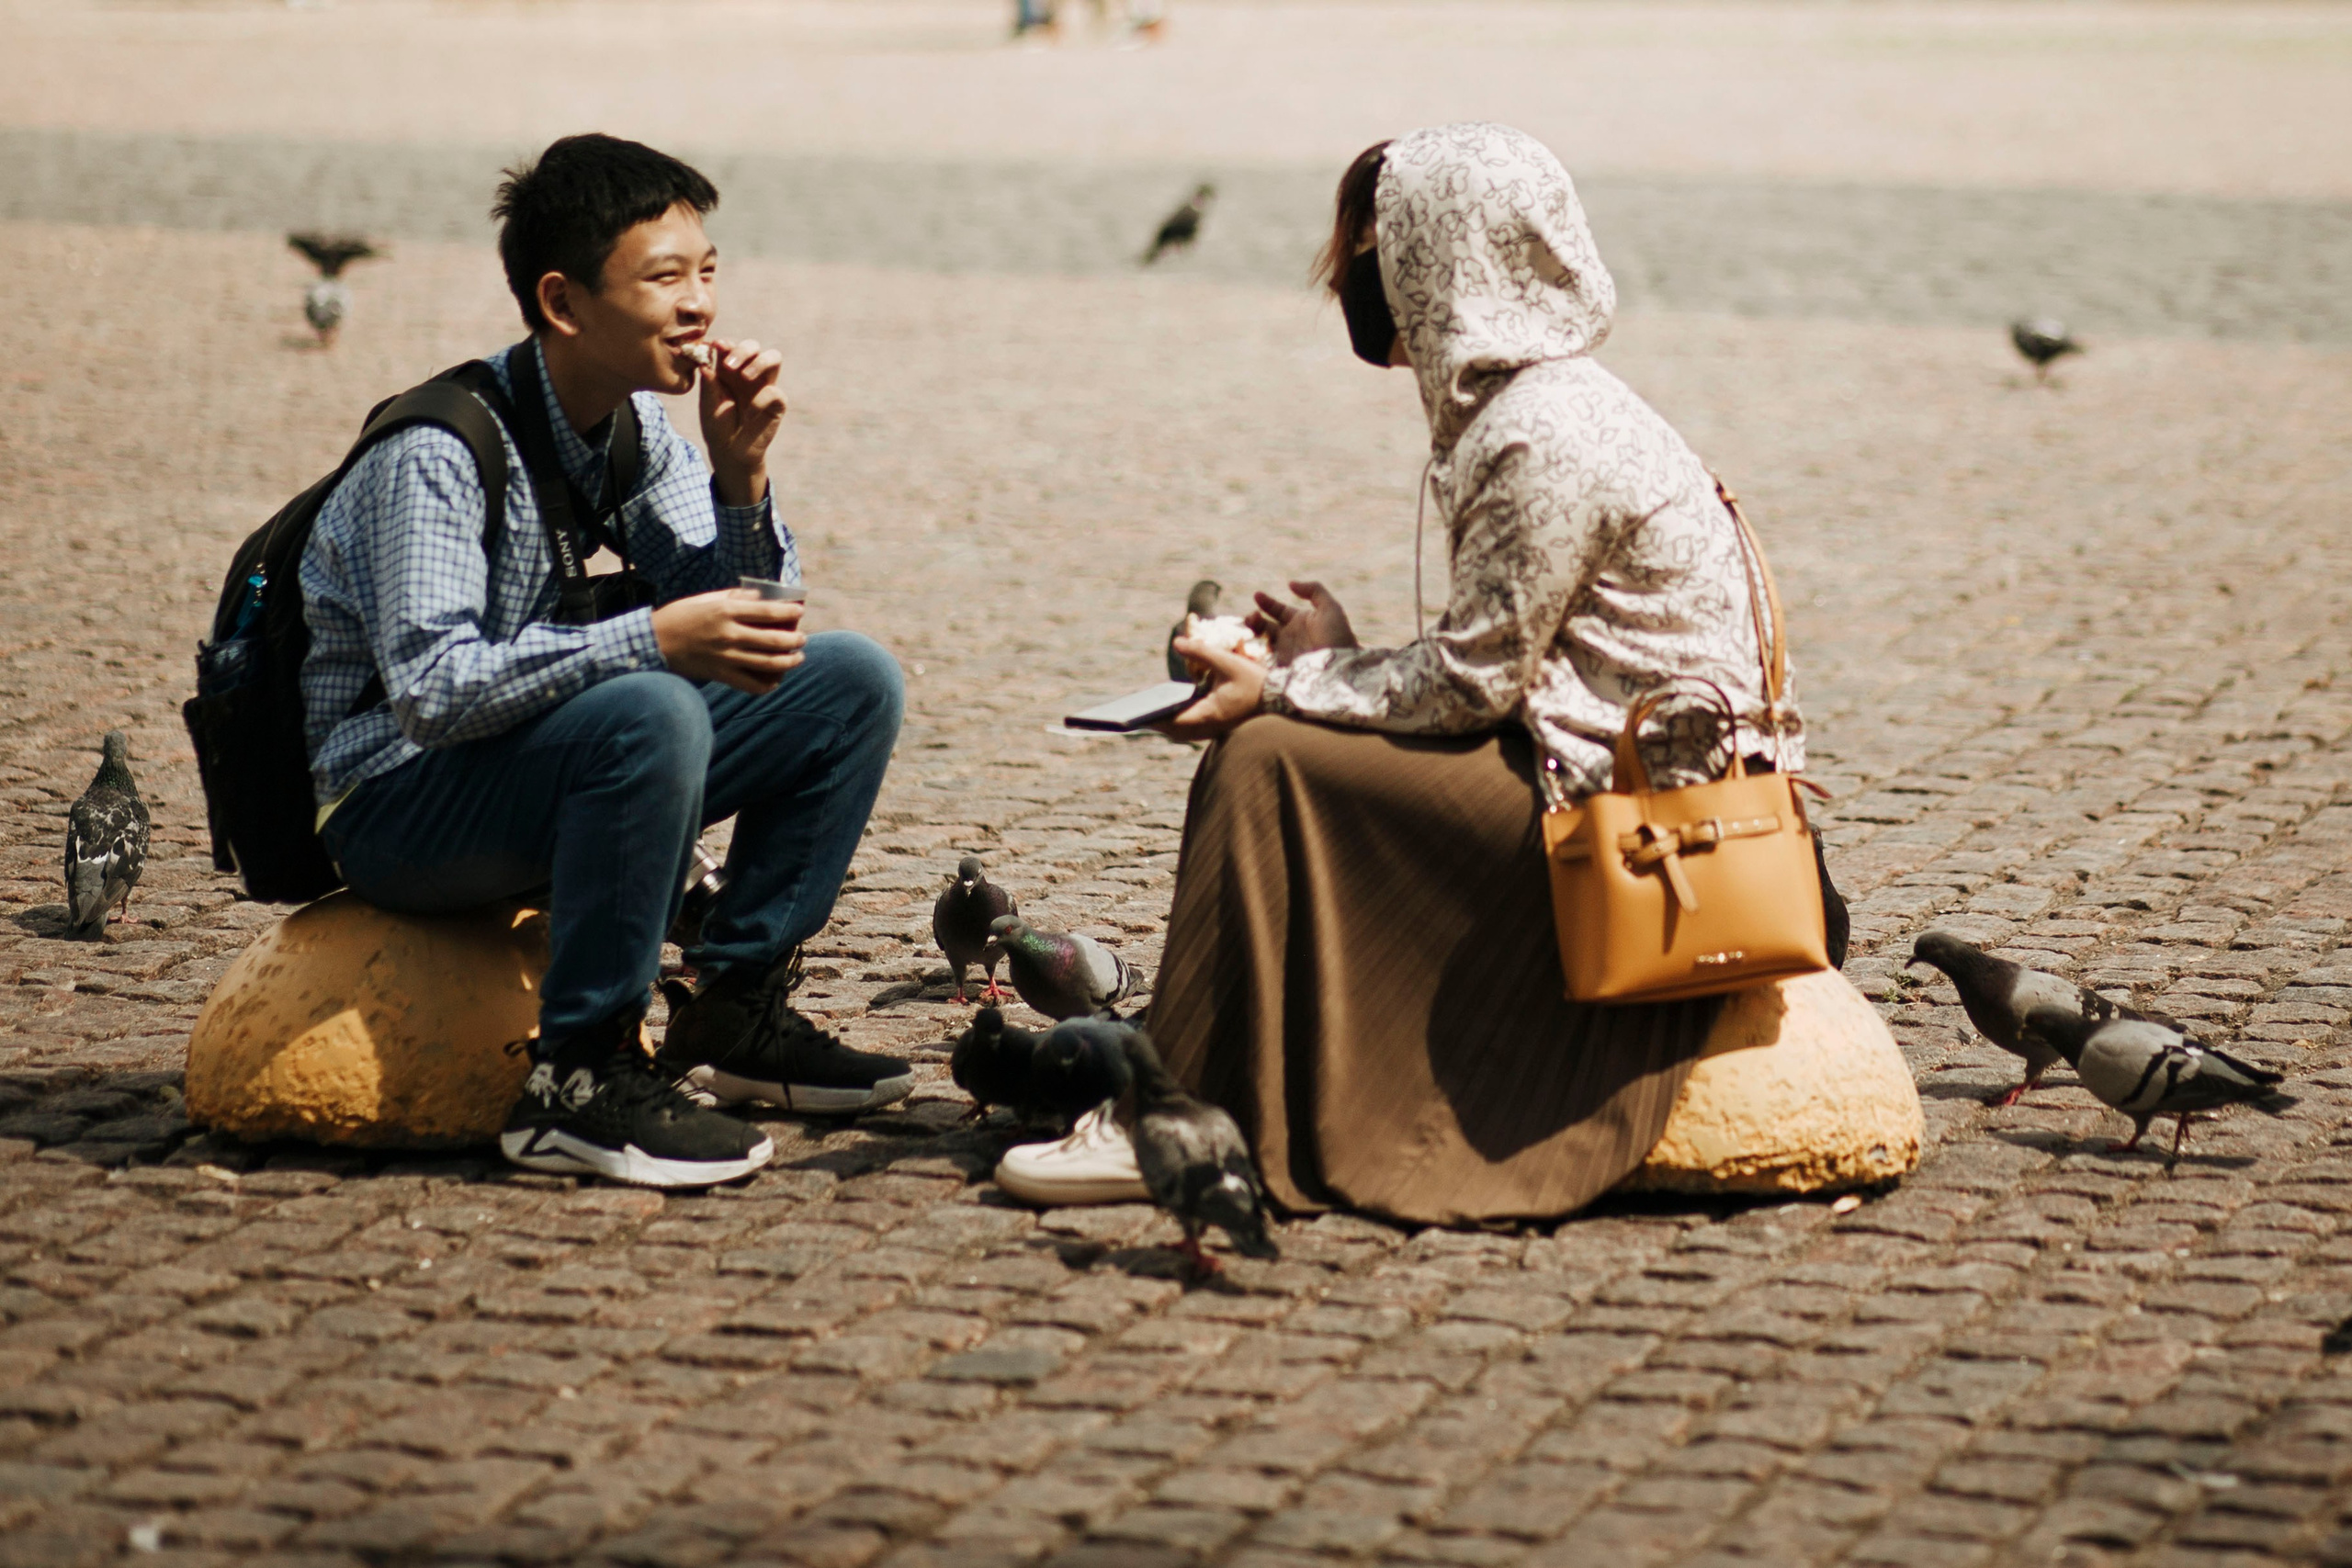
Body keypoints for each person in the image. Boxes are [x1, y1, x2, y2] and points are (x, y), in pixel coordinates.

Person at [1146, 122, 1847, 1227]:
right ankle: (1232, 1080)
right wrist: (1332, 658)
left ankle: (1181, 1106)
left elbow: (1471, 687)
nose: (1356, 276)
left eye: (1376, 247)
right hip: (1620, 774)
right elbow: (1502, 665)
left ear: (1439, 256)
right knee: (1291, 749)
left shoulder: (1537, 431)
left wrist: (1282, 688)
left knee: (1263, 762)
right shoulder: (1543, 400)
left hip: (1649, 832)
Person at [300, 134, 910, 1188]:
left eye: (707, 271)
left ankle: (734, 1013)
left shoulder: (633, 430)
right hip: (391, 807)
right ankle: (575, 1083)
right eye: (664, 278)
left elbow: (759, 640)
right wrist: (651, 640)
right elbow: (435, 693)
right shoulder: (440, 452)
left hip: (531, 766)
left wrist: (741, 480)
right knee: (651, 710)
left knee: (848, 682)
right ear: (564, 303)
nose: (700, 305)